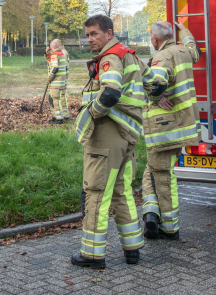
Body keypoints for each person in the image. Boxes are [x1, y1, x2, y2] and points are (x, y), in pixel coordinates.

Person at [71, 15, 145, 268]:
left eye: (94, 34)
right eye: (87, 35)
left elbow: (111, 92)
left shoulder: (110, 57)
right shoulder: (129, 54)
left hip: (107, 134)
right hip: (128, 135)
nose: (89, 39)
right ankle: (132, 249)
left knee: (97, 192)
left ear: (109, 32)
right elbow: (150, 83)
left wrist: (91, 114)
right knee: (122, 193)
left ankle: (92, 254)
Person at [140, 20, 200, 241]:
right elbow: (196, 51)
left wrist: (156, 97)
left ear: (155, 38)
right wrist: (184, 31)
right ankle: (151, 214)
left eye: (151, 38)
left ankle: (169, 227)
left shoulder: (161, 57)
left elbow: (156, 84)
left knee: (162, 176)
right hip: (180, 127)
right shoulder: (184, 51)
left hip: (164, 129)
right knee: (153, 170)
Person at [46, 39, 69, 124]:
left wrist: (49, 78)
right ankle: (60, 116)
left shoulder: (54, 55)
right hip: (62, 81)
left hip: (56, 82)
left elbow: (54, 68)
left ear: (51, 48)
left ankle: (58, 119)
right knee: (59, 99)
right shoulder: (61, 54)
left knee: (55, 99)